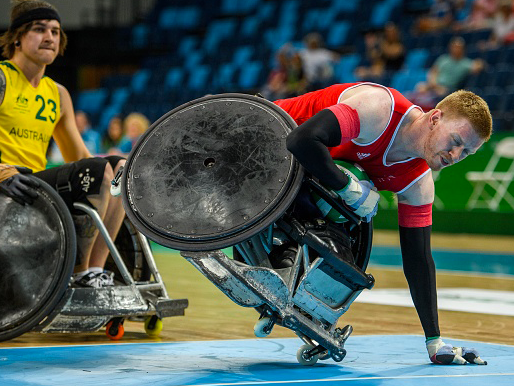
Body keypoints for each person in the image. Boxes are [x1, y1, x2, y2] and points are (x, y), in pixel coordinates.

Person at [274, 81, 491, 365]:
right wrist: (345, 187)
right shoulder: (379, 109)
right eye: (455, 142)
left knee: (344, 267)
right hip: (267, 132)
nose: (454, 156)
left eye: (465, 153)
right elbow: (300, 141)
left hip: (300, 185)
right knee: (344, 200)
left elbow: (418, 260)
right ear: (435, 118)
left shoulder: (418, 183)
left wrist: (433, 340)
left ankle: (278, 271)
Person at [0, 0, 126, 288]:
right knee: (97, 171)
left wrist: (120, 166)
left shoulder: (57, 93)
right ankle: (77, 274)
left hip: (35, 186)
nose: (50, 37)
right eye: (39, 29)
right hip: (6, 183)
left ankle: (94, 272)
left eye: (56, 32)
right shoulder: (2, 78)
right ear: (17, 37)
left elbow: (78, 156)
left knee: (118, 170)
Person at [410, 36, 485, 109]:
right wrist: (433, 85)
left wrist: (479, 62)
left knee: (440, 94)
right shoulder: (443, 59)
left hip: (448, 89)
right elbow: (433, 72)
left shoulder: (465, 63)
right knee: (419, 87)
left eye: (458, 47)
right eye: (454, 46)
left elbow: (478, 65)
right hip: (435, 86)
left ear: (463, 49)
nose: (456, 49)